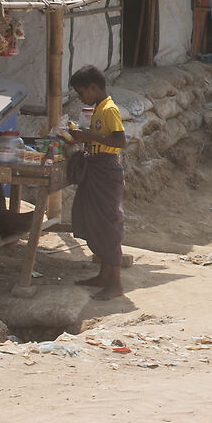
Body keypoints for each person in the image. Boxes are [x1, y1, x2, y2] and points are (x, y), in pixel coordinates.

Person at [68, 65, 128, 299]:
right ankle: (104, 275)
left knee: (107, 224)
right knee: (94, 220)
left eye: (82, 92)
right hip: (96, 167)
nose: (81, 97)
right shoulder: (98, 109)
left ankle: (115, 283)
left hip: (106, 169)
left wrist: (89, 136)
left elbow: (120, 141)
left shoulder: (109, 109)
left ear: (94, 87)